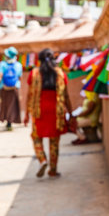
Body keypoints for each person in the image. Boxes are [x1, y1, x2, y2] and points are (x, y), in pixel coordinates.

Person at [24, 48, 73, 178]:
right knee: (54, 141)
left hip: (39, 109)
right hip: (56, 109)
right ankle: (53, 170)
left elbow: (29, 95)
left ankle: (42, 159)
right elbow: (66, 96)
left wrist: (26, 114)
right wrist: (71, 113)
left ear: (39, 60)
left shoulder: (34, 74)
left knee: (36, 137)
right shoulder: (60, 73)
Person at [0, 47, 22, 131]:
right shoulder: (18, 65)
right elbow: (19, 78)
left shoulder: (3, 64)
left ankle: (8, 122)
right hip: (15, 88)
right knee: (12, 106)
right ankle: (10, 122)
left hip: (4, 88)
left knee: (5, 105)